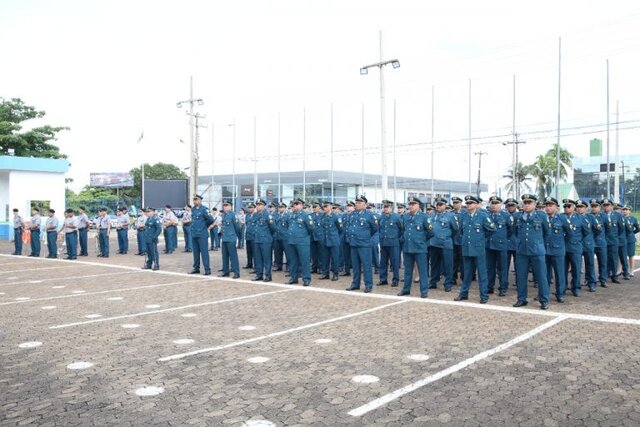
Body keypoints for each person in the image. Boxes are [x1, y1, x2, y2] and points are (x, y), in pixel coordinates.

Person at [513, 194, 550, 310]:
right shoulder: (517, 217)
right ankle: (521, 299)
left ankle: (544, 300)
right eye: (525, 203)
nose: (527, 205)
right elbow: (514, 232)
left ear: (534, 205)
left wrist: (538, 244)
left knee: (541, 276)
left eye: (529, 203)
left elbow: (547, 233)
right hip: (522, 251)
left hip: (537, 251)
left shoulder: (542, 216)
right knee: (521, 276)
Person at [455, 195, 495, 303]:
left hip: (478, 249)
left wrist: (481, 239)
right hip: (467, 248)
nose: (468, 205)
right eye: (467, 203)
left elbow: (491, 229)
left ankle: (484, 296)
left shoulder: (482, 216)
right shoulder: (464, 216)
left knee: (482, 273)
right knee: (467, 273)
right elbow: (461, 231)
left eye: (471, 203)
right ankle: (463, 294)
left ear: (476, 205)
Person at [397, 197, 432, 298]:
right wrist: (403, 238)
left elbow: (431, 232)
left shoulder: (424, 217)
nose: (411, 206)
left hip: (420, 248)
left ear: (418, 206)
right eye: (410, 204)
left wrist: (421, 240)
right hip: (407, 247)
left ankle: (424, 291)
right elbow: (402, 230)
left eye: (413, 204)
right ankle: (406, 289)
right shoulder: (406, 217)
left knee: (422, 270)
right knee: (407, 270)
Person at [345, 195, 379, 293]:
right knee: (355, 266)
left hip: (364, 244)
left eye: (360, 203)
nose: (357, 204)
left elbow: (375, 228)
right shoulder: (352, 214)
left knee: (366, 265)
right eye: (356, 203)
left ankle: (368, 285)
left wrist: (366, 236)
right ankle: (355, 284)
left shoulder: (369, 215)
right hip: (353, 243)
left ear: (365, 204)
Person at [429, 197, 458, 291]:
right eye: (437, 204)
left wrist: (446, 237)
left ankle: (448, 283)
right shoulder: (432, 216)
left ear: (445, 206)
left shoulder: (450, 216)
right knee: (434, 264)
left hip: (446, 244)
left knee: (448, 264)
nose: (438, 206)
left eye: (440, 204)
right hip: (433, 243)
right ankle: (433, 281)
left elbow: (455, 229)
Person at [485, 196, 513, 296]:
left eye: (496, 203)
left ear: (500, 205)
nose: (494, 205)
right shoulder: (486, 215)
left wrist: (504, 240)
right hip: (489, 246)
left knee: (502, 268)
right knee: (489, 268)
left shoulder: (506, 216)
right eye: (492, 203)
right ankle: (489, 287)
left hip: (501, 246)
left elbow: (511, 230)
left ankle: (503, 287)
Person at [544, 197, 568, 302]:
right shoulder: (542, 218)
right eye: (547, 205)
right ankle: (544, 293)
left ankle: (560, 293)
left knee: (559, 273)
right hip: (544, 250)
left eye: (551, 205)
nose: (548, 208)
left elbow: (570, 234)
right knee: (545, 274)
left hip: (557, 250)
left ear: (556, 207)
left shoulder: (562, 218)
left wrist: (561, 245)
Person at [287, 198, 313, 286]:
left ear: (302, 205)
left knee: (304, 261)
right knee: (293, 261)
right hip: (292, 241)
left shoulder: (306, 215)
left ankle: (306, 279)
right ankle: (294, 278)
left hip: (302, 241)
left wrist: (303, 236)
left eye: (297, 204)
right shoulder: (291, 215)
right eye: (294, 204)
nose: (295, 206)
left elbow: (311, 228)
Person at [378, 200, 402, 287]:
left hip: (393, 243)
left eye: (387, 207)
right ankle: (383, 279)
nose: (386, 209)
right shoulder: (381, 217)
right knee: (383, 263)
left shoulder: (396, 217)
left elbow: (401, 229)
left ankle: (395, 280)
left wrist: (398, 239)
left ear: (391, 208)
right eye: (384, 207)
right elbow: (379, 229)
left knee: (395, 263)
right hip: (384, 243)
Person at [189, 194, 214, 275]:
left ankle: (207, 269)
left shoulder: (204, 209)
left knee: (204, 252)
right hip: (194, 234)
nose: (195, 201)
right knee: (195, 253)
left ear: (200, 200)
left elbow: (211, 219)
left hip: (202, 234)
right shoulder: (193, 209)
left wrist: (204, 226)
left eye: (196, 199)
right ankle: (196, 268)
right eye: (194, 200)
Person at [576, 199, 597, 292]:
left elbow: (598, 230)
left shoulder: (590, 217)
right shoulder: (573, 217)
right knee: (576, 265)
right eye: (578, 207)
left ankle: (591, 283)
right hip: (576, 245)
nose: (579, 208)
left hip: (588, 244)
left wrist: (590, 238)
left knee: (590, 264)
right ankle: (575, 284)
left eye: (581, 207)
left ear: (585, 208)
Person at [253, 198, 276, 282]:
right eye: (257, 205)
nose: (258, 206)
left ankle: (267, 275)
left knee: (267, 258)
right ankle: (259, 275)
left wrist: (268, 236)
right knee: (258, 258)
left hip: (266, 240)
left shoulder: (267, 215)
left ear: (264, 205)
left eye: (260, 205)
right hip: (257, 239)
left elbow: (273, 228)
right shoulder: (255, 215)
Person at [319, 200, 342, 281]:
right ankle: (325, 274)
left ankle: (335, 274)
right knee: (325, 258)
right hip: (325, 240)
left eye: (326, 206)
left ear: (330, 207)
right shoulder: (322, 216)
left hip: (333, 241)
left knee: (335, 258)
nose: (324, 208)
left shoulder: (335, 217)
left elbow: (340, 229)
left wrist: (335, 237)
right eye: (323, 207)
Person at [218, 200, 241, 279]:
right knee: (224, 256)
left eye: (227, 205)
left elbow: (237, 227)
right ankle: (225, 271)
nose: (225, 207)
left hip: (231, 238)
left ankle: (236, 272)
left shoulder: (233, 215)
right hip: (224, 238)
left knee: (233, 256)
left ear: (231, 206)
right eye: (224, 205)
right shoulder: (224, 215)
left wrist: (238, 238)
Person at [589, 199, 608, 287]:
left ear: (600, 207)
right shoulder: (587, 216)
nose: (593, 208)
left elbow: (608, 230)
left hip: (601, 243)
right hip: (591, 243)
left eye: (595, 206)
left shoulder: (604, 217)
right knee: (590, 263)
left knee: (603, 262)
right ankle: (590, 280)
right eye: (592, 206)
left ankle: (603, 279)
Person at [602, 199, 622, 283]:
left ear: (611, 206)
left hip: (613, 240)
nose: (606, 207)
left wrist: (615, 236)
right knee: (604, 258)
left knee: (614, 259)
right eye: (605, 205)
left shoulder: (617, 215)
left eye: (608, 205)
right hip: (604, 240)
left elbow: (621, 228)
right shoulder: (601, 215)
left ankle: (614, 276)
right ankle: (605, 276)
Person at [622, 206, 639, 276]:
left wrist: (632, 233)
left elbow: (638, 229)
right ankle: (620, 270)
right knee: (621, 255)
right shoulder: (620, 218)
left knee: (631, 255)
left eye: (626, 209)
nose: (625, 211)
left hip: (630, 239)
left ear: (630, 211)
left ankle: (631, 271)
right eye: (624, 210)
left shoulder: (633, 219)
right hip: (622, 239)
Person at [340, 201, 355, 276]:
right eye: (348, 206)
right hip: (345, 238)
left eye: (350, 206)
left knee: (354, 256)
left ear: (354, 207)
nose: (348, 207)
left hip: (353, 239)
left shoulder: (356, 215)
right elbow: (341, 226)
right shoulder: (344, 215)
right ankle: (347, 270)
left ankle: (356, 270)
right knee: (346, 255)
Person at [273, 202, 288, 271]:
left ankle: (289, 267)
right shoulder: (275, 215)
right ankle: (278, 266)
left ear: (285, 208)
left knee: (288, 253)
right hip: (277, 236)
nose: (280, 208)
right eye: (279, 207)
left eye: (282, 207)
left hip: (285, 237)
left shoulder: (288, 216)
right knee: (277, 253)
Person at [244, 204, 256, 270]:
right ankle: (249, 263)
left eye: (251, 208)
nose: (249, 209)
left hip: (254, 236)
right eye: (249, 208)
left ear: (254, 208)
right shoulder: (247, 215)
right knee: (248, 251)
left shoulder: (256, 215)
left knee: (255, 252)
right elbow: (246, 224)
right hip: (248, 235)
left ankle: (255, 265)